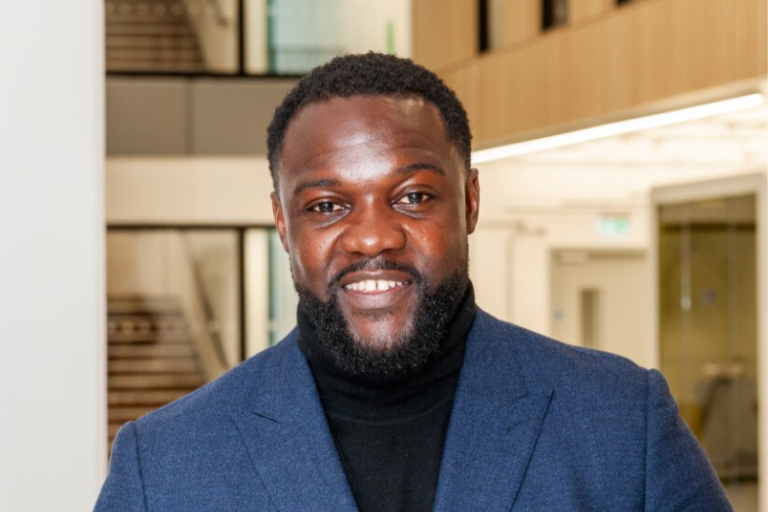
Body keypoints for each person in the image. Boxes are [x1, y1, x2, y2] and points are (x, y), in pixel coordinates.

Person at [95, 53, 732, 511]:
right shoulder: (164, 464)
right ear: (283, 224)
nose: (373, 237)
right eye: (327, 206)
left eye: (413, 196)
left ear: (470, 202)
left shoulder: (622, 422)